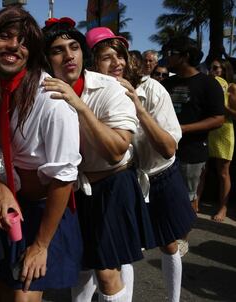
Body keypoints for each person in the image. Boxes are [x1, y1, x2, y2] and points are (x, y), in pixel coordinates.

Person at [0, 7, 83, 302]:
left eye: (23, 41)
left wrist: (42, 244)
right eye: (5, 37)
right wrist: (0, 186)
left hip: (46, 213)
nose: (14, 46)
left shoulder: (52, 102)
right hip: (7, 210)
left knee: (24, 298)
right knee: (3, 292)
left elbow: (63, 178)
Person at [42, 21, 155, 302]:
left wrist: (79, 105)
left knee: (107, 272)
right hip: (72, 190)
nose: (69, 56)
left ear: (83, 53)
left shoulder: (109, 89)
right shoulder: (41, 92)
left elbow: (116, 151)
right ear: (46, 59)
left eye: (74, 47)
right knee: (78, 268)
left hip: (112, 186)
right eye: (58, 50)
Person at [91, 32, 195, 302]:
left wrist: (138, 108)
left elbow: (168, 147)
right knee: (126, 251)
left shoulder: (152, 90)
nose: (116, 62)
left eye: (120, 55)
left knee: (169, 244)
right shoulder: (97, 95)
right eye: (106, 57)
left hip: (161, 176)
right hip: (131, 180)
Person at [161, 36, 225, 256]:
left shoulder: (208, 84)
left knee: (187, 196)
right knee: (166, 194)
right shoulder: (166, 83)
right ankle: (166, 233)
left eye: (171, 52)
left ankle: (183, 238)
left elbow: (218, 118)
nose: (166, 56)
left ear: (185, 56)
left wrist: (184, 129)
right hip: (165, 149)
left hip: (192, 150)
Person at [196, 59, 234, 221]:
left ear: (225, 70)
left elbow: (233, 113)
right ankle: (195, 202)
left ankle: (223, 207)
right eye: (211, 68)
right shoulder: (208, 84)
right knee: (201, 170)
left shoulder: (231, 87)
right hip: (207, 129)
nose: (213, 71)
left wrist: (221, 101)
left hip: (224, 131)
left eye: (217, 68)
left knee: (223, 172)